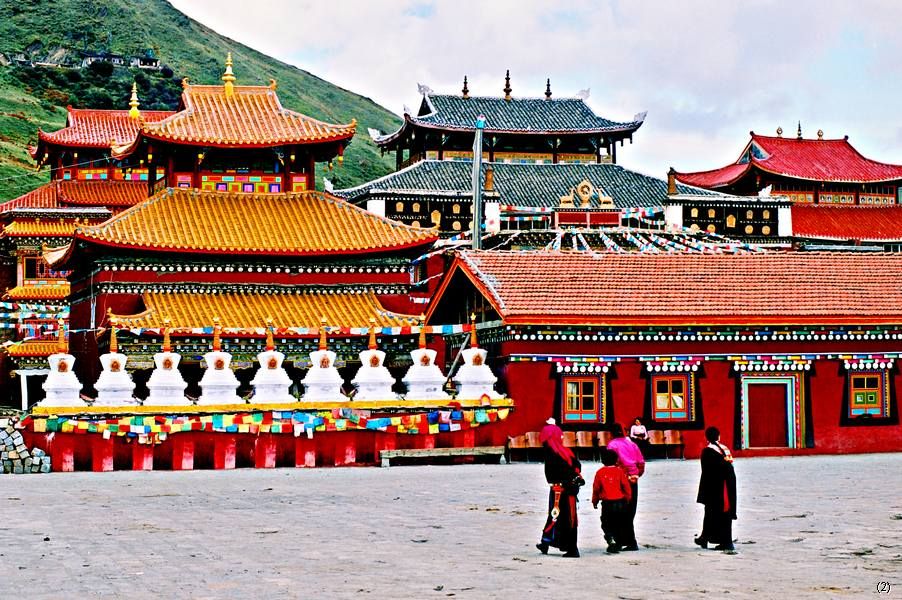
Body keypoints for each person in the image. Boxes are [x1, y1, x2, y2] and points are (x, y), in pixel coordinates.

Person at [536, 418, 583, 558]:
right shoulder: (565, 452)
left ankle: (572, 548)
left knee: (564, 518)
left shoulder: (552, 454)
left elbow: (564, 472)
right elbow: (577, 466)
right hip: (563, 490)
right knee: (555, 516)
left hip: (563, 490)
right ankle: (545, 542)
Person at [695, 426, 738, 552]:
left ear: (706, 438)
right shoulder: (725, 449)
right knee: (721, 512)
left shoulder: (708, 451)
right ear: (719, 436)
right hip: (728, 485)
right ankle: (706, 537)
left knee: (712, 512)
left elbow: (707, 472)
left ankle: (725, 542)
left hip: (716, 487)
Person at [606, 423, 645, 551]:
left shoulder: (612, 445)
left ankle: (620, 541)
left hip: (619, 480)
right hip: (633, 480)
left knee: (619, 511)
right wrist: (636, 475)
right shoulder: (632, 444)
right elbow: (641, 462)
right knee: (630, 510)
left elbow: (613, 464)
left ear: (611, 433)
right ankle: (630, 541)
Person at [591, 449, 633, 553]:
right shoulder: (620, 471)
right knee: (619, 523)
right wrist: (628, 498)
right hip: (620, 502)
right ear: (616, 460)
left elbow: (596, 489)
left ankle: (611, 539)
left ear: (602, 460)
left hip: (607, 503)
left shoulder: (600, 472)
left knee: (606, 523)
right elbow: (626, 486)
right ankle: (618, 543)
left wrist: (594, 501)